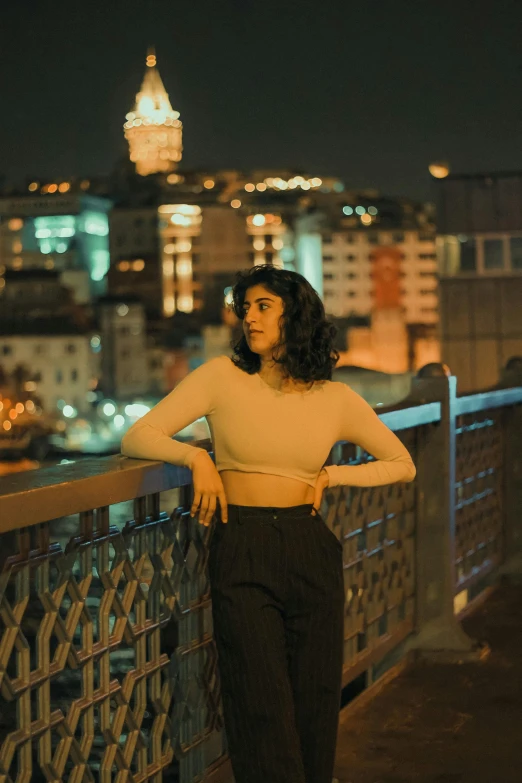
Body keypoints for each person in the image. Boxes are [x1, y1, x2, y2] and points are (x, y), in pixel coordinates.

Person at [121, 264, 416, 783]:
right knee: (258, 697)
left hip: (309, 544)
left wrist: (334, 477)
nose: (249, 319)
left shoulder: (336, 398)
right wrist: (198, 460)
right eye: (245, 309)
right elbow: (139, 436)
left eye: (263, 307)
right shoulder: (220, 377)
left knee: (315, 695)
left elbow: (401, 464)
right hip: (244, 541)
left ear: (295, 315)